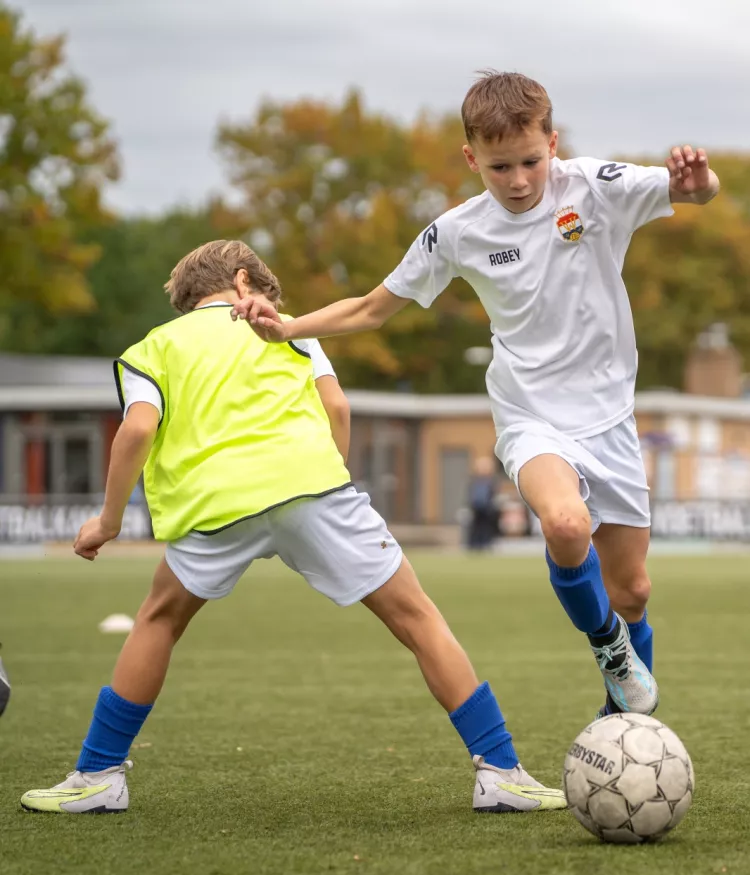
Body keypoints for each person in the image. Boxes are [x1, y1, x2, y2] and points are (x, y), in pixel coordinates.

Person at [231, 71, 721, 719]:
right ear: (471, 159)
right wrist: (288, 327)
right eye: (499, 167)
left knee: (631, 591)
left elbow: (696, 192)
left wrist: (698, 181)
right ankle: (609, 646)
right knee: (565, 524)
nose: (517, 180)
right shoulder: (457, 233)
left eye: (530, 161)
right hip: (531, 417)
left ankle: (625, 722)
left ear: (553, 142)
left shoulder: (595, 188)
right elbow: (373, 307)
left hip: (611, 419)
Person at [20, 239, 565, 815]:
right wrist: (331, 487)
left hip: (216, 504)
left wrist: (107, 522)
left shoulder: (152, 348)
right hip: (314, 489)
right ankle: (500, 771)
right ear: (242, 281)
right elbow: (338, 409)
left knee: (158, 619)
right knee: (418, 618)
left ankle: (99, 776)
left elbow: (136, 431)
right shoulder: (290, 330)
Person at [466, 456, 499, 550]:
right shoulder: (474, 482)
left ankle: (486, 544)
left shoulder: (491, 482)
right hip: (476, 510)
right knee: (475, 529)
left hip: (487, 510)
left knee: (486, 529)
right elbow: (470, 495)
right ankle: (474, 545)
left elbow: (493, 496)